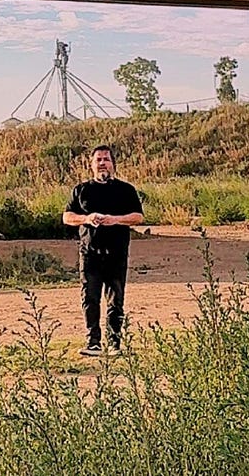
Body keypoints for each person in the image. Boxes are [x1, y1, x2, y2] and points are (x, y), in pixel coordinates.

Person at [62, 144, 144, 356]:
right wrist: (86, 218)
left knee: (116, 299)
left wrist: (116, 219)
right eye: (98, 160)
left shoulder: (126, 190)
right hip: (89, 253)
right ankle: (93, 343)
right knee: (90, 297)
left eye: (106, 159)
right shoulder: (81, 190)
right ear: (91, 164)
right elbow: (67, 217)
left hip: (116, 253)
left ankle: (115, 344)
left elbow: (138, 216)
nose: (102, 163)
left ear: (113, 163)